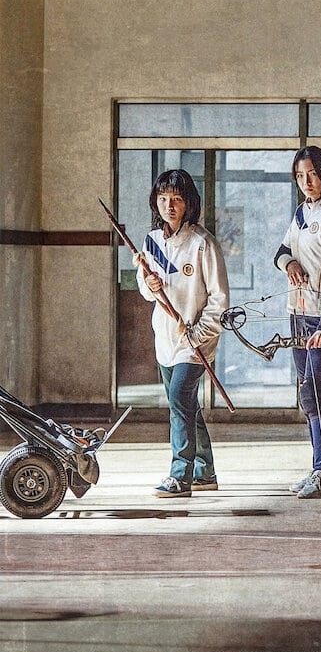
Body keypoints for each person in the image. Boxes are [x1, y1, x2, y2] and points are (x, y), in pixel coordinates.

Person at [135, 169, 229, 498]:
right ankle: (205, 471)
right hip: (165, 338)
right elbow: (146, 289)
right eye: (163, 199)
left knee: (178, 400)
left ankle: (180, 475)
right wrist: (149, 284)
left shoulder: (203, 244)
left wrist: (198, 333)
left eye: (176, 199)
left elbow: (219, 300)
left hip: (196, 340)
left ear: (189, 202)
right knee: (187, 404)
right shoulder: (152, 241)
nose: (169, 205)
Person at [276, 146, 321, 499]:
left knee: (315, 390)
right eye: (300, 176)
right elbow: (281, 251)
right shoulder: (302, 213)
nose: (306, 182)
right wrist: (289, 264)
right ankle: (319, 467)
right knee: (306, 391)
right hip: (297, 310)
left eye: (312, 174)